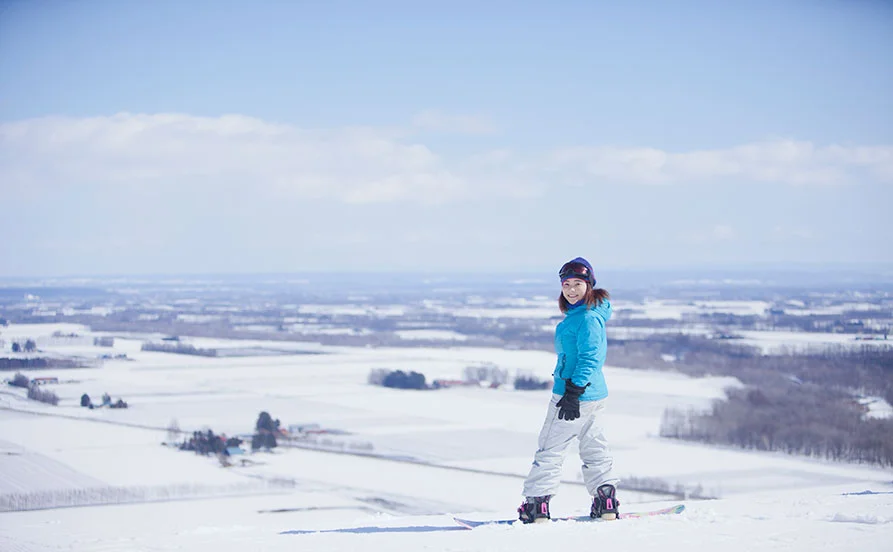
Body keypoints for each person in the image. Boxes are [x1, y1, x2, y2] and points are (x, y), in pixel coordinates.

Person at [518, 257, 619, 523]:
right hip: (594, 395)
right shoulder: (585, 315)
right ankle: (606, 502)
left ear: (590, 285)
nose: (571, 290)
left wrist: (573, 392)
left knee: (551, 449)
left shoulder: (587, 318)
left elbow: (591, 358)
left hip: (573, 394)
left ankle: (536, 506)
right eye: (566, 285)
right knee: (594, 446)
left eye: (578, 284)